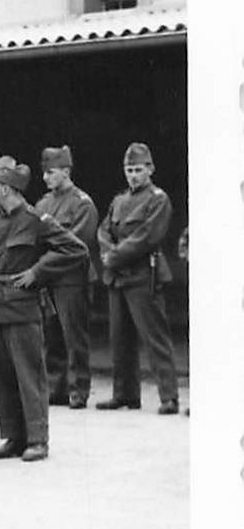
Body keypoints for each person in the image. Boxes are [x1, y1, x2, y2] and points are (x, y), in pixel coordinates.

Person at [0, 160, 89, 462]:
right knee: (3, 376)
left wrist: (38, 272)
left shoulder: (35, 219)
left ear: (8, 189)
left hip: (23, 309)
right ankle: (14, 436)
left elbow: (75, 249)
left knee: (29, 375)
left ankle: (38, 439)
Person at [96, 142, 180, 414]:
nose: (132, 175)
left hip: (144, 275)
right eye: (129, 169)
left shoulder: (158, 199)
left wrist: (115, 256)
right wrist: (109, 254)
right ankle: (125, 394)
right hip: (118, 278)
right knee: (120, 340)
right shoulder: (119, 201)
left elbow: (148, 236)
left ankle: (169, 396)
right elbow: (103, 231)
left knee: (155, 337)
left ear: (150, 169)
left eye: (138, 169)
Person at [33, 146, 98, 408]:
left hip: (72, 278)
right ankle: (55, 386)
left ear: (66, 171)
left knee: (74, 336)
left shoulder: (83, 203)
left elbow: (78, 244)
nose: (46, 178)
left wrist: (46, 261)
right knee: (51, 336)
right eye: (44, 173)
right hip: (49, 280)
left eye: (51, 173)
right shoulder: (42, 204)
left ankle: (78, 388)